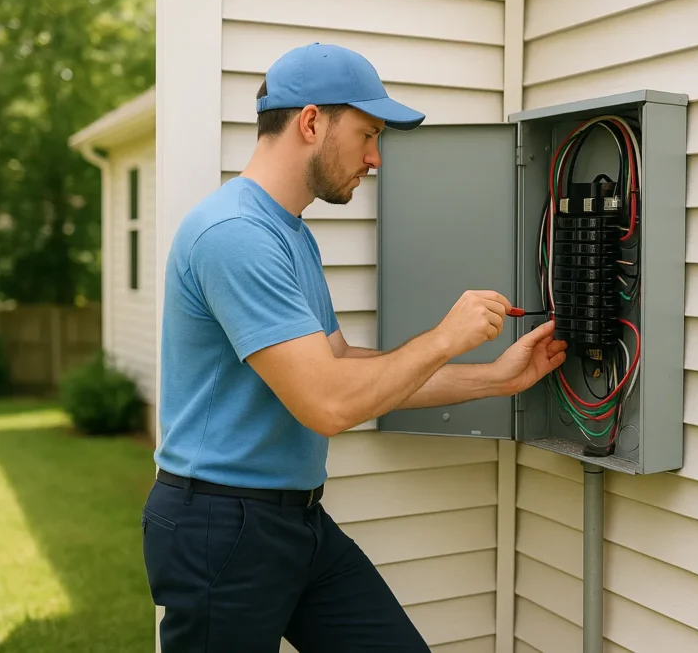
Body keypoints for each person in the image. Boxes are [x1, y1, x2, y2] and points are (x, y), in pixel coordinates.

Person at [141, 42, 567, 652]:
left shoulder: (286, 233)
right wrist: (446, 337)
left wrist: (495, 379)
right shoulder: (235, 235)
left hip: (294, 522)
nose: (376, 158)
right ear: (312, 122)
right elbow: (330, 405)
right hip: (222, 528)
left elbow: (341, 365)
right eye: (368, 134)